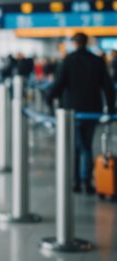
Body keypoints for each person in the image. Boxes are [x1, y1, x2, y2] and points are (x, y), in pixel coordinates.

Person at [47, 32, 115, 194]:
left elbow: (59, 84)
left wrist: (49, 99)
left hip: (73, 111)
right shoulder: (97, 61)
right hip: (92, 110)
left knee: (79, 146)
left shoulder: (68, 61)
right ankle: (85, 181)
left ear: (74, 43)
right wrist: (111, 109)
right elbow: (108, 87)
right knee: (86, 144)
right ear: (87, 42)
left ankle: (78, 181)